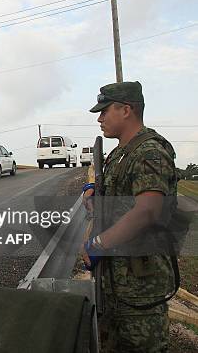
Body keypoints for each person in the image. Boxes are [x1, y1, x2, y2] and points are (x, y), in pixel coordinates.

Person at [81, 81, 177, 353]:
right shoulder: (120, 153)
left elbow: (147, 210)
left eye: (104, 110)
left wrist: (99, 243)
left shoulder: (149, 151)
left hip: (139, 287)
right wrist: (94, 194)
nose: (99, 118)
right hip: (115, 285)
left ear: (126, 110)